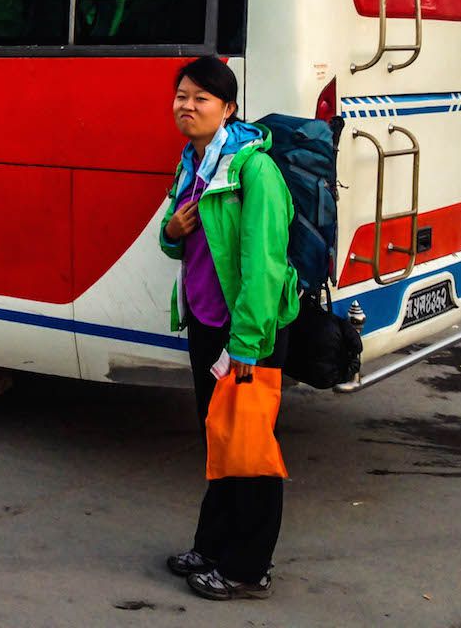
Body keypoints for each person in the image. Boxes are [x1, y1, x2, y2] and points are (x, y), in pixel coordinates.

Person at [158, 56, 300, 601]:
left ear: (228, 109)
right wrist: (171, 231)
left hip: (249, 332)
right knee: (218, 439)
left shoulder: (252, 169)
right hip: (206, 324)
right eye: (182, 96)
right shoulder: (191, 163)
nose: (187, 106)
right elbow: (179, 242)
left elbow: (264, 263)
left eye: (201, 99)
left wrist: (247, 341)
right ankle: (212, 544)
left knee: (250, 448)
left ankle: (249, 566)